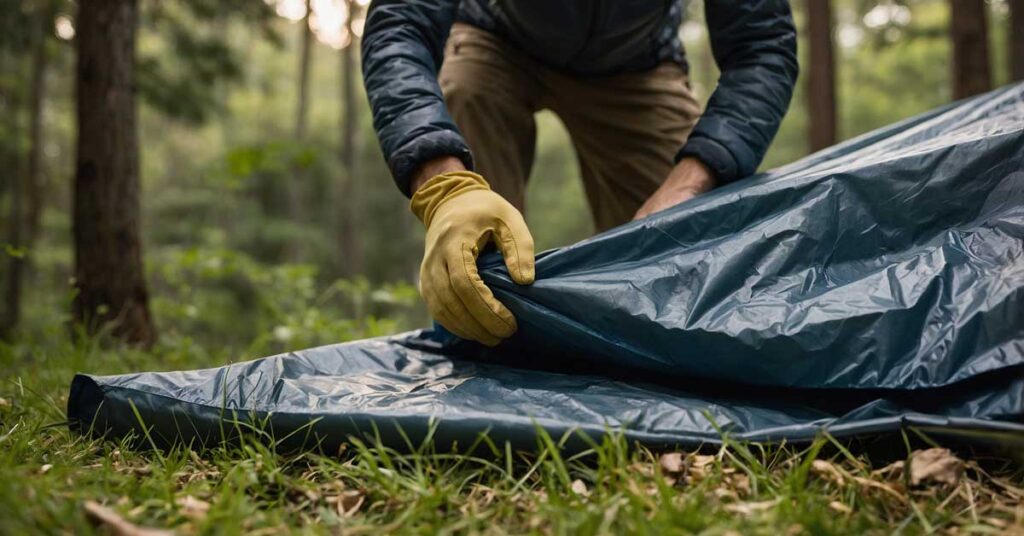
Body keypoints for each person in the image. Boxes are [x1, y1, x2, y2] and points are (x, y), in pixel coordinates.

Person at [361, 1, 798, 346]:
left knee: (683, 251)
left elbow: (761, 46)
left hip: (637, 65)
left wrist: (690, 183)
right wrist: (445, 187)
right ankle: (477, 340)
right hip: (495, 39)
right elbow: (400, 24)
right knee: (466, 91)